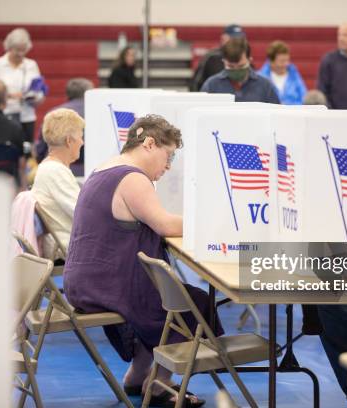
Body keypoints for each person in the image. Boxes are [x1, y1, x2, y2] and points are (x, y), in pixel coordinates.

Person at [64, 114, 221, 407]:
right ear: (149, 144)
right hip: (105, 282)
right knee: (191, 303)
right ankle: (160, 384)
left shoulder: (104, 168)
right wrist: (213, 224)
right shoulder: (133, 178)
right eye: (168, 155)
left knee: (159, 296)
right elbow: (165, 225)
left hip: (84, 280)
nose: (169, 166)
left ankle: (136, 377)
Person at [31, 108, 83, 258]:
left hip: (65, 244)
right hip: (69, 248)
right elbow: (82, 213)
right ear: (69, 141)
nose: (82, 142)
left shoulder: (48, 167)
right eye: (80, 136)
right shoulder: (55, 171)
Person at [0, 27, 45, 145]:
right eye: (17, 50)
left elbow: (39, 90)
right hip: (5, 114)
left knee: (27, 149)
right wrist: (9, 95)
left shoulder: (31, 65)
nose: (20, 54)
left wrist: (35, 97)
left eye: (23, 50)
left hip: (27, 115)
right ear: (9, 47)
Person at [35, 78, 94, 174]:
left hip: (57, 168)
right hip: (90, 169)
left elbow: (41, 148)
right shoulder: (99, 113)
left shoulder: (53, 114)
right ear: (89, 93)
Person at [201, 37, 280, 104]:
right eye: (231, 66)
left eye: (241, 66)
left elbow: (276, 115)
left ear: (250, 60)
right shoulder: (211, 85)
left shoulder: (265, 86)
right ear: (224, 61)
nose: (236, 70)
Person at [190, 24, 245, 91]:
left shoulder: (244, 58)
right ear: (223, 38)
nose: (236, 41)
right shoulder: (211, 57)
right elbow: (196, 83)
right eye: (233, 38)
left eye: (239, 38)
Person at [257, 40, 307, 105]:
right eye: (282, 61)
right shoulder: (260, 78)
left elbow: (304, 97)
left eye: (287, 60)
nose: (286, 64)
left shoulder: (294, 75)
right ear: (271, 61)